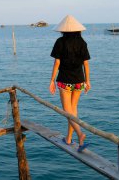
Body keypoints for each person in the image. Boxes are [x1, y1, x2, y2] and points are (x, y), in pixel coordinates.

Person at [49, 15, 91, 152]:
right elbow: (86, 64)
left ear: (63, 30)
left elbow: (57, 62)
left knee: (68, 111)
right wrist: (88, 81)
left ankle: (80, 134)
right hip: (79, 80)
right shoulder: (82, 42)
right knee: (73, 110)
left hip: (64, 80)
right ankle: (68, 138)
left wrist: (51, 81)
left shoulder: (60, 42)